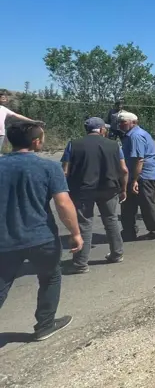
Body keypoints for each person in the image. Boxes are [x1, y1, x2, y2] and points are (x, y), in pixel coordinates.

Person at [0, 121, 81, 340]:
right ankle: (45, 324)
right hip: (40, 237)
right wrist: (75, 233)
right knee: (50, 277)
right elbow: (63, 204)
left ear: (8, 141)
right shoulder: (48, 167)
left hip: (4, 240)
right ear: (36, 142)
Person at [61, 117, 128, 273]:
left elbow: (65, 171)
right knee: (111, 220)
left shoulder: (74, 144)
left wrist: (64, 191)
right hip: (109, 189)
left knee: (84, 224)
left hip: (83, 190)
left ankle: (80, 263)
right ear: (102, 129)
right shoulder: (114, 145)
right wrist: (124, 189)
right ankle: (117, 253)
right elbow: (124, 170)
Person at [118, 111, 155, 241]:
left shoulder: (135, 136)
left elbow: (139, 159)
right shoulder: (132, 135)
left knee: (146, 203)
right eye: (120, 122)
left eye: (123, 122)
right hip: (136, 175)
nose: (121, 125)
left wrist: (135, 180)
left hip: (142, 175)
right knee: (127, 204)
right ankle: (129, 231)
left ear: (133, 122)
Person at [0, 88, 36, 153]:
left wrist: (32, 121)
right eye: (3, 98)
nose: (5, 100)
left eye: (5, 98)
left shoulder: (3, 109)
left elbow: (17, 115)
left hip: (1, 134)